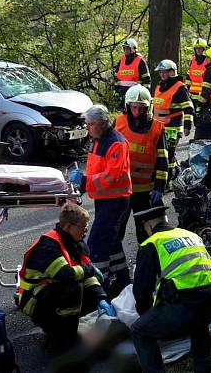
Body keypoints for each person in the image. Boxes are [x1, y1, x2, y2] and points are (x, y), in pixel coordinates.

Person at [131, 206, 211, 373]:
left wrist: (147, 315)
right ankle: (203, 368)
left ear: (149, 227)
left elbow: (141, 290)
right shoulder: (191, 235)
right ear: (166, 220)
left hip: (187, 305)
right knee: (198, 322)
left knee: (139, 332)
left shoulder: (152, 242)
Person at [16, 202, 115, 352]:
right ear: (68, 226)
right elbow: (67, 275)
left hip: (49, 294)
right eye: (83, 227)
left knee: (90, 291)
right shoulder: (49, 245)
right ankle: (60, 339)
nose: (86, 231)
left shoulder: (74, 242)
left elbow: (86, 273)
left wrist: (100, 296)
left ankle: (69, 330)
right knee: (72, 288)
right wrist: (89, 269)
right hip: (34, 300)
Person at [68, 105, 133, 298]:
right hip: (105, 199)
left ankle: (98, 288)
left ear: (103, 123)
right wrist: (84, 182)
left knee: (96, 245)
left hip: (116, 201)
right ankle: (122, 280)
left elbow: (113, 175)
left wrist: (86, 181)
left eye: (91, 124)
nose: (88, 128)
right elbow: (98, 169)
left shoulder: (116, 143)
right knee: (111, 243)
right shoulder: (98, 139)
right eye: (87, 124)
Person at [114, 85, 168, 244]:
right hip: (121, 189)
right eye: (133, 107)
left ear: (148, 107)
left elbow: (162, 159)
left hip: (145, 192)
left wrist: (159, 187)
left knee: (146, 233)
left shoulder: (157, 128)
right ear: (127, 106)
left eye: (140, 107)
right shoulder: (118, 122)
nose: (136, 111)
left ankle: (145, 264)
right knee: (116, 232)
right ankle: (115, 266)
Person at [152, 59, 193, 180]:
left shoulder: (180, 88)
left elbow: (188, 109)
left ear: (172, 72)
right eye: (161, 72)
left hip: (173, 128)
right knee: (159, 154)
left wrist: (187, 126)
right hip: (158, 126)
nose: (162, 74)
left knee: (168, 155)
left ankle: (168, 181)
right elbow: (153, 107)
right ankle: (176, 174)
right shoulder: (160, 86)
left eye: (165, 72)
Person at [113, 38, 151, 102]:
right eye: (124, 48)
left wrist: (144, 95)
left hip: (135, 94)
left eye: (127, 48)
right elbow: (116, 78)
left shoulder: (140, 61)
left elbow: (146, 80)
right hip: (122, 93)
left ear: (133, 49)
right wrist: (116, 91)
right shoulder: (121, 60)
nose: (125, 50)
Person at [185, 38, 210, 103]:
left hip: (203, 95)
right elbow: (188, 77)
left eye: (200, 48)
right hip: (191, 94)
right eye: (196, 48)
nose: (198, 50)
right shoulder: (193, 60)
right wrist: (186, 90)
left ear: (204, 49)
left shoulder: (208, 61)